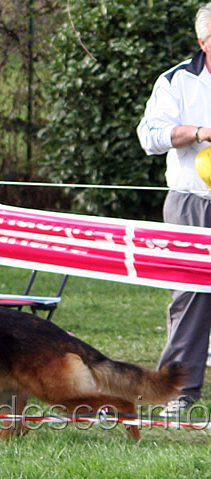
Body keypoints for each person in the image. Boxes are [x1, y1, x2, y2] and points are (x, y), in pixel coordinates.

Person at [137, 2, 211, 413]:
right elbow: (149, 135)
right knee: (192, 294)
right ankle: (178, 391)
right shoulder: (177, 81)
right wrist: (199, 132)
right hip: (192, 202)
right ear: (203, 41)